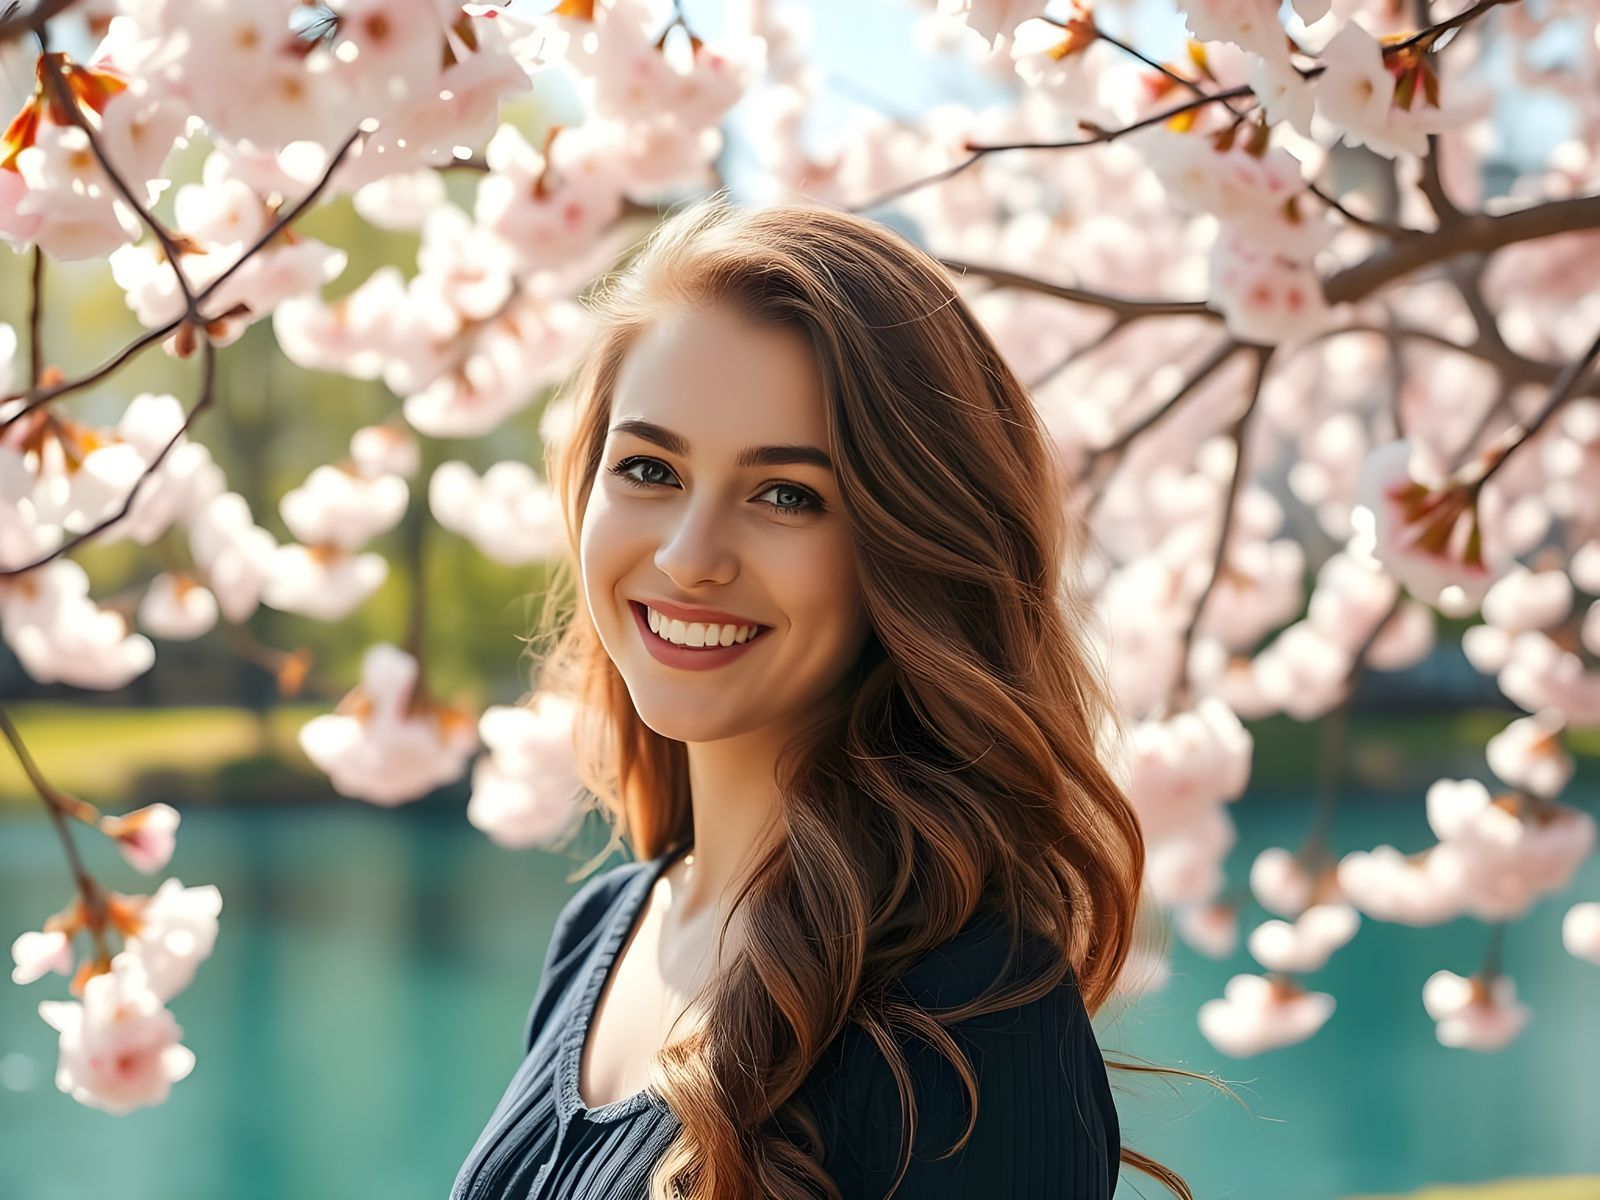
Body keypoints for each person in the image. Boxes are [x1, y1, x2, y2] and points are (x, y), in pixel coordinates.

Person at [451, 194, 1191, 1200]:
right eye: (649, 469)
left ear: (911, 547)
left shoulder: (966, 1018)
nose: (688, 556)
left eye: (788, 494)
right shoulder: (604, 927)